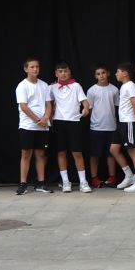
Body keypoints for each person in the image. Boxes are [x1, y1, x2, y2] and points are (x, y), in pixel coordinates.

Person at [47, 62, 90, 192]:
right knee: (61, 152)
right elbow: (48, 105)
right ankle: (66, 182)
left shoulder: (76, 86)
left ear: (70, 72)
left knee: (77, 152)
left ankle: (83, 182)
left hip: (74, 122)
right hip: (59, 122)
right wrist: (48, 117)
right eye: (60, 71)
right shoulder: (52, 87)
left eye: (65, 71)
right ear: (56, 73)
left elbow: (85, 102)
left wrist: (86, 109)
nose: (63, 74)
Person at [14, 58, 51, 194]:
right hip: (27, 126)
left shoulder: (44, 85)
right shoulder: (22, 86)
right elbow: (23, 107)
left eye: (37, 67)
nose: (35, 69)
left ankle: (40, 182)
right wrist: (37, 120)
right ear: (26, 69)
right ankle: (23, 183)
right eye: (32, 67)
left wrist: (46, 117)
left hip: (42, 126)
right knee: (26, 154)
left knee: (41, 154)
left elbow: (48, 104)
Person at [114, 62, 135, 191]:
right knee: (114, 149)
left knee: (133, 152)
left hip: (129, 122)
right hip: (122, 122)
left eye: (118, 71)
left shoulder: (130, 86)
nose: (116, 74)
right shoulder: (124, 86)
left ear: (125, 73)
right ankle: (129, 176)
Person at [86, 64, 120, 187]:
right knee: (95, 154)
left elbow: (117, 107)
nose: (101, 76)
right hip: (96, 127)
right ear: (95, 76)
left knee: (111, 154)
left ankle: (112, 177)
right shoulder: (91, 90)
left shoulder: (114, 90)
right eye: (98, 74)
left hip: (111, 127)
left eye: (103, 73)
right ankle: (94, 178)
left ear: (108, 73)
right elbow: (88, 109)